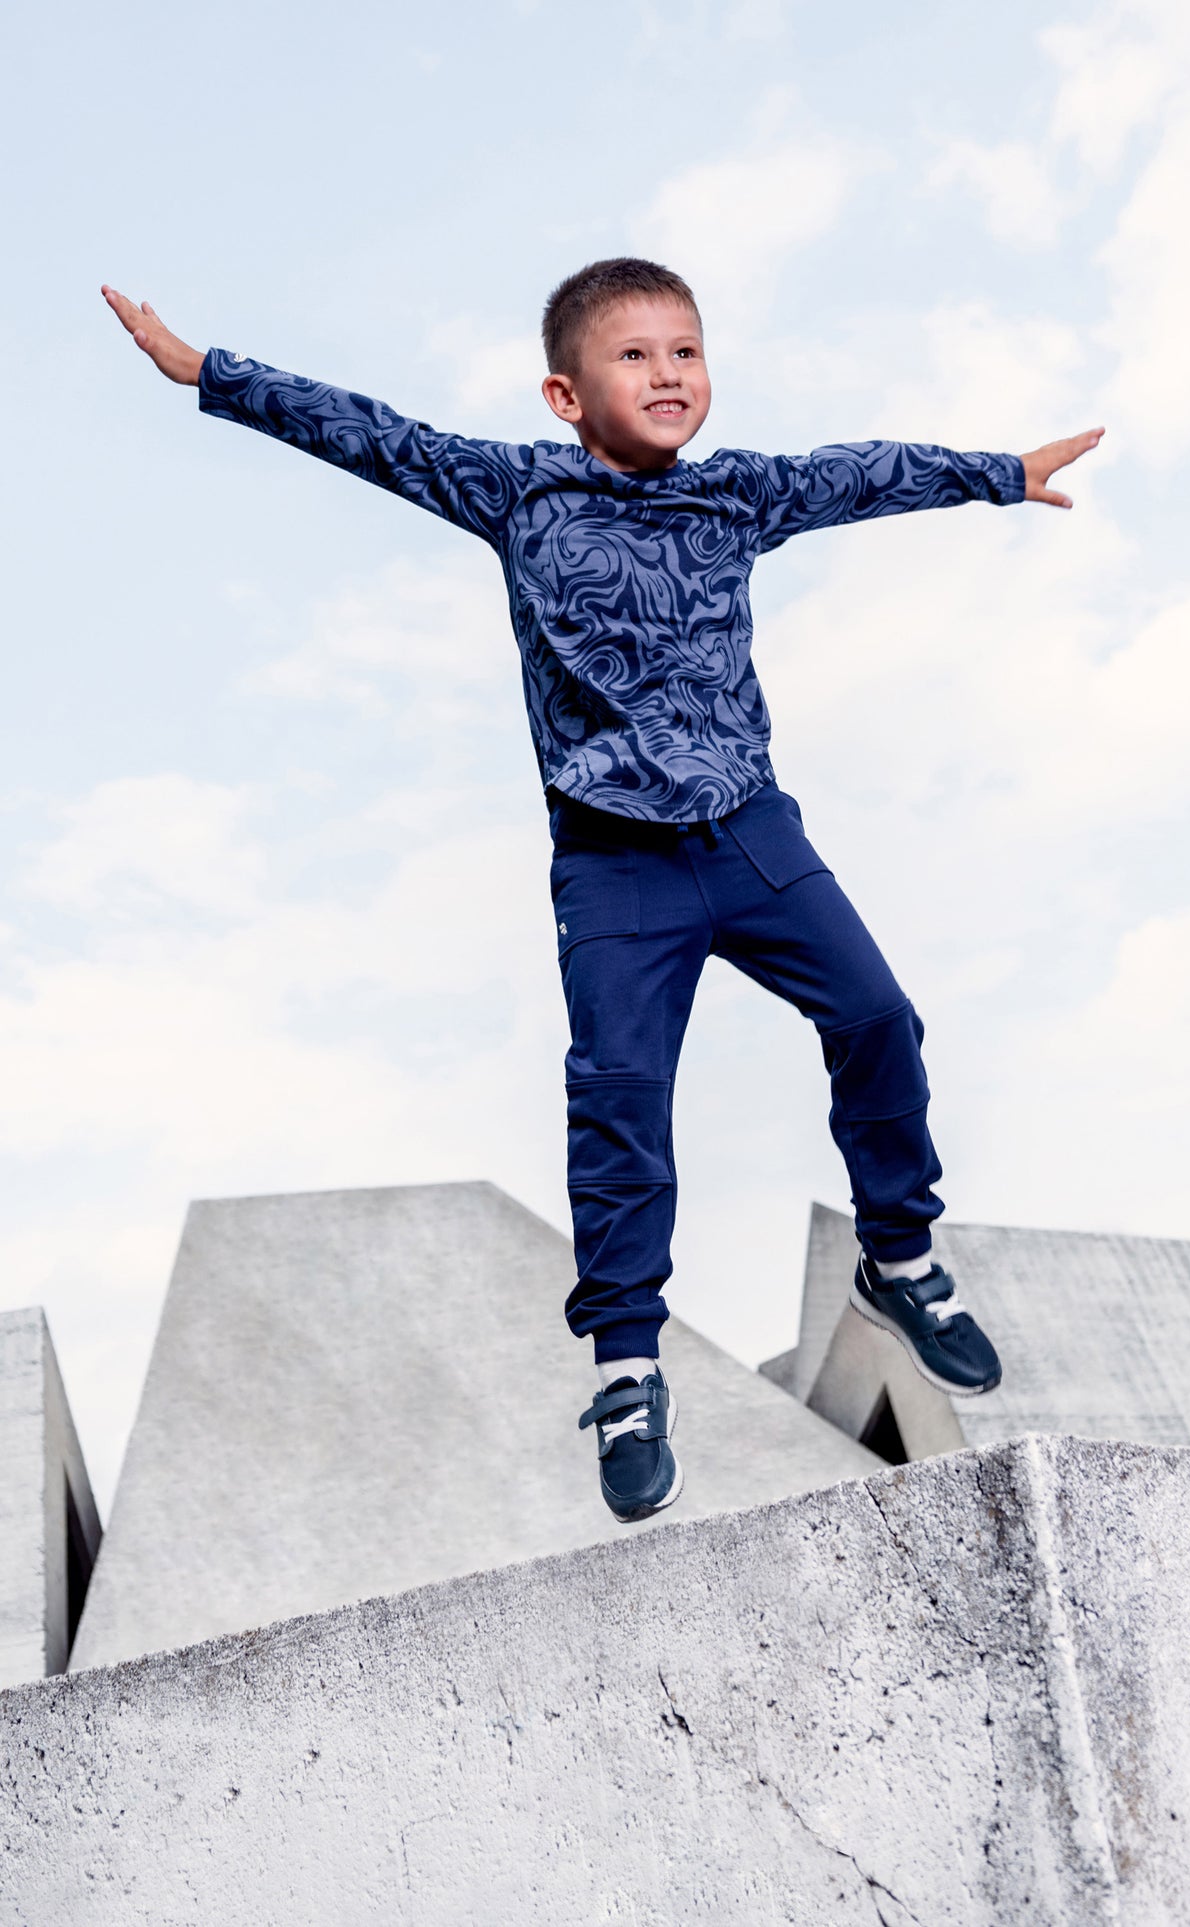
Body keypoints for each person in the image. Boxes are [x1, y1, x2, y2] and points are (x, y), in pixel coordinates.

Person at [101, 259, 1101, 1524]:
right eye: (635, 357)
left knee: (878, 1019)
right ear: (566, 393)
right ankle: (626, 1366)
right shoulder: (517, 489)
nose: (668, 374)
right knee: (622, 1097)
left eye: (685, 351)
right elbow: (373, 437)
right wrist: (212, 374)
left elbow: (858, 473)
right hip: (613, 861)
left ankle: (897, 1253)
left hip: (748, 833)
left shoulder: (736, 496)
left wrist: (996, 473)